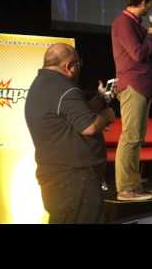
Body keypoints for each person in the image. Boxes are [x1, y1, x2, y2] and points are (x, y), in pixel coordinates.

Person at [25, 43, 115, 223]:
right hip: (75, 179)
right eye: (79, 64)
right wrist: (107, 115)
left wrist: (99, 98)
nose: (79, 68)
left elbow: (75, 116)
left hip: (58, 176)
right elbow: (88, 126)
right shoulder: (65, 88)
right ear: (68, 66)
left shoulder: (41, 85)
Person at [111, 0, 152, 201]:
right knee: (130, 137)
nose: (151, 6)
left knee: (137, 138)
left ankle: (135, 185)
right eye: (150, 2)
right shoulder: (123, 23)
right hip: (132, 85)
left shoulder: (135, 23)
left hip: (142, 85)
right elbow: (138, 54)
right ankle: (125, 189)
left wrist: (149, 33)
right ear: (143, 2)